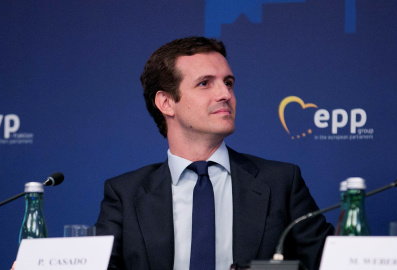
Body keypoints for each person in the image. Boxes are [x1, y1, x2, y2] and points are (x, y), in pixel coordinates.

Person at [95, 36, 334, 270]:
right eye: (205, 83)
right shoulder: (124, 195)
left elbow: (334, 262)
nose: (225, 94)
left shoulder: (281, 182)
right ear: (166, 102)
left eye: (228, 83)